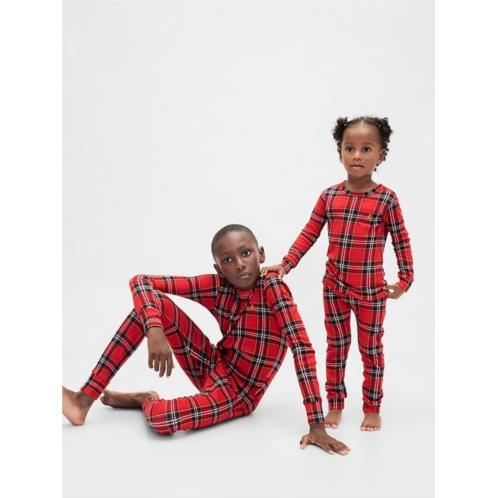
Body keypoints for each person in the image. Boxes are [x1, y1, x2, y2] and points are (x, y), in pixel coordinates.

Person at [62, 223, 351, 456]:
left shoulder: (272, 287)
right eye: (228, 260)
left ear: (261, 254)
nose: (239, 264)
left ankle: (146, 399)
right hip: (211, 364)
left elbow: (302, 348)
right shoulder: (217, 286)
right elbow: (141, 281)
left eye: (246, 253)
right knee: (149, 307)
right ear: (219, 269)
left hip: (238, 394)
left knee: (161, 419)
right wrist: (154, 328)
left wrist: (316, 425)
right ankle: (83, 399)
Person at [261, 116, 414, 432]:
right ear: (340, 153)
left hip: (371, 293)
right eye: (349, 148)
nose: (357, 155)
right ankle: (335, 403)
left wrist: (405, 280)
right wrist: (286, 264)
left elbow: (401, 240)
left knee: (371, 351)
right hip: (334, 288)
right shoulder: (329, 196)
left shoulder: (386, 199)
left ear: (381, 155)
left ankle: (372, 407)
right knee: (336, 348)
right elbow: (309, 233)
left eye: (366, 149)